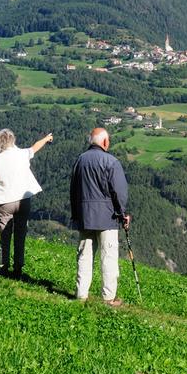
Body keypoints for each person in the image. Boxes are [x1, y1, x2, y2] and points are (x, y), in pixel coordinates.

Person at [0, 129, 52, 277]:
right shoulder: (23, 154)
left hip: (4, 202)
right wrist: (46, 139)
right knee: (20, 233)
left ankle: (3, 267)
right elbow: (35, 146)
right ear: (12, 140)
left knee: (5, 235)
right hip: (23, 200)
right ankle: (18, 268)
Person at [69, 127, 129, 305]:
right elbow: (119, 192)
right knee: (108, 257)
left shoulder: (80, 160)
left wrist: (76, 214)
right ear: (104, 142)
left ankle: (81, 294)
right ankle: (108, 297)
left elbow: (73, 190)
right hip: (107, 218)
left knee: (84, 256)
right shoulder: (111, 162)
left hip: (84, 217)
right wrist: (122, 213)